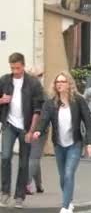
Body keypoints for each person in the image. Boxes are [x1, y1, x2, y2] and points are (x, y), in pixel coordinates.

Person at [33, 71, 91, 213]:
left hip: (74, 144)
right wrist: (38, 131)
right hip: (59, 145)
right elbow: (44, 119)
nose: (59, 84)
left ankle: (65, 206)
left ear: (69, 84)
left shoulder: (78, 101)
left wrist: (90, 143)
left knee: (69, 173)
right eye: (57, 82)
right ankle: (69, 200)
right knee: (63, 177)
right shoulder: (51, 103)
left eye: (63, 81)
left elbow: (89, 122)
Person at [0, 52, 44, 209]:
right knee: (5, 157)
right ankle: (5, 192)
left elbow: (37, 110)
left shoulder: (33, 83)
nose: (15, 71)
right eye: (12, 68)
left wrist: (31, 131)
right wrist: (1, 100)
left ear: (23, 66)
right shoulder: (4, 80)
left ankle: (19, 196)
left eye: (17, 68)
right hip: (9, 125)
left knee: (24, 162)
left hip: (26, 127)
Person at [26, 66, 47, 196]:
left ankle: (39, 185)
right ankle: (26, 184)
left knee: (34, 156)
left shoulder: (25, 90)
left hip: (28, 127)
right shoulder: (41, 91)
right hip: (39, 128)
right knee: (34, 156)